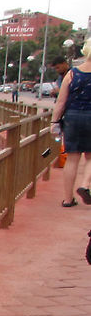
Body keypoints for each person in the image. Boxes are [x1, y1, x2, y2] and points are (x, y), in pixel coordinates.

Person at [53, 40, 91, 206]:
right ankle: (85, 185)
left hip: (72, 118)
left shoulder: (72, 74)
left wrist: (54, 122)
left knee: (72, 158)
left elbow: (61, 102)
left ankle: (68, 200)